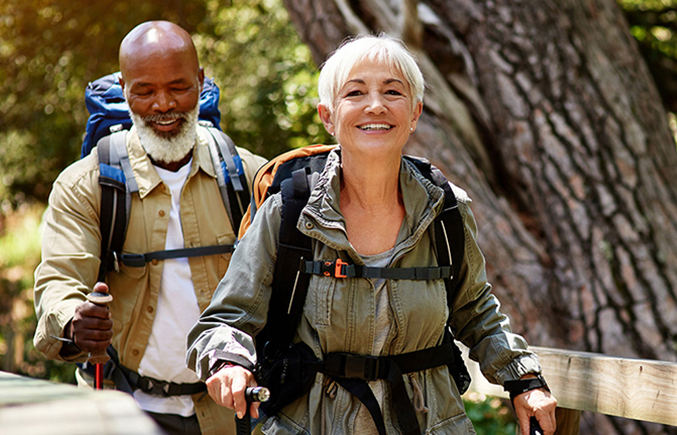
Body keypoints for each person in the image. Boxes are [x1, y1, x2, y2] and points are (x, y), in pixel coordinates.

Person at [187, 35, 559, 434]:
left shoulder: (446, 210)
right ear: (328, 116)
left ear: (414, 113)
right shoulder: (289, 211)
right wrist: (229, 362)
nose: (376, 105)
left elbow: (476, 311)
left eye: (393, 91)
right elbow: (227, 319)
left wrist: (525, 380)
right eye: (356, 92)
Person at [33, 21, 267, 435]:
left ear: (200, 81)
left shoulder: (248, 176)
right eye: (145, 91)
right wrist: (74, 321)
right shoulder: (86, 185)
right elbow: (59, 280)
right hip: (127, 412)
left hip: (234, 416)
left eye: (178, 87)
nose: (163, 104)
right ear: (124, 89)